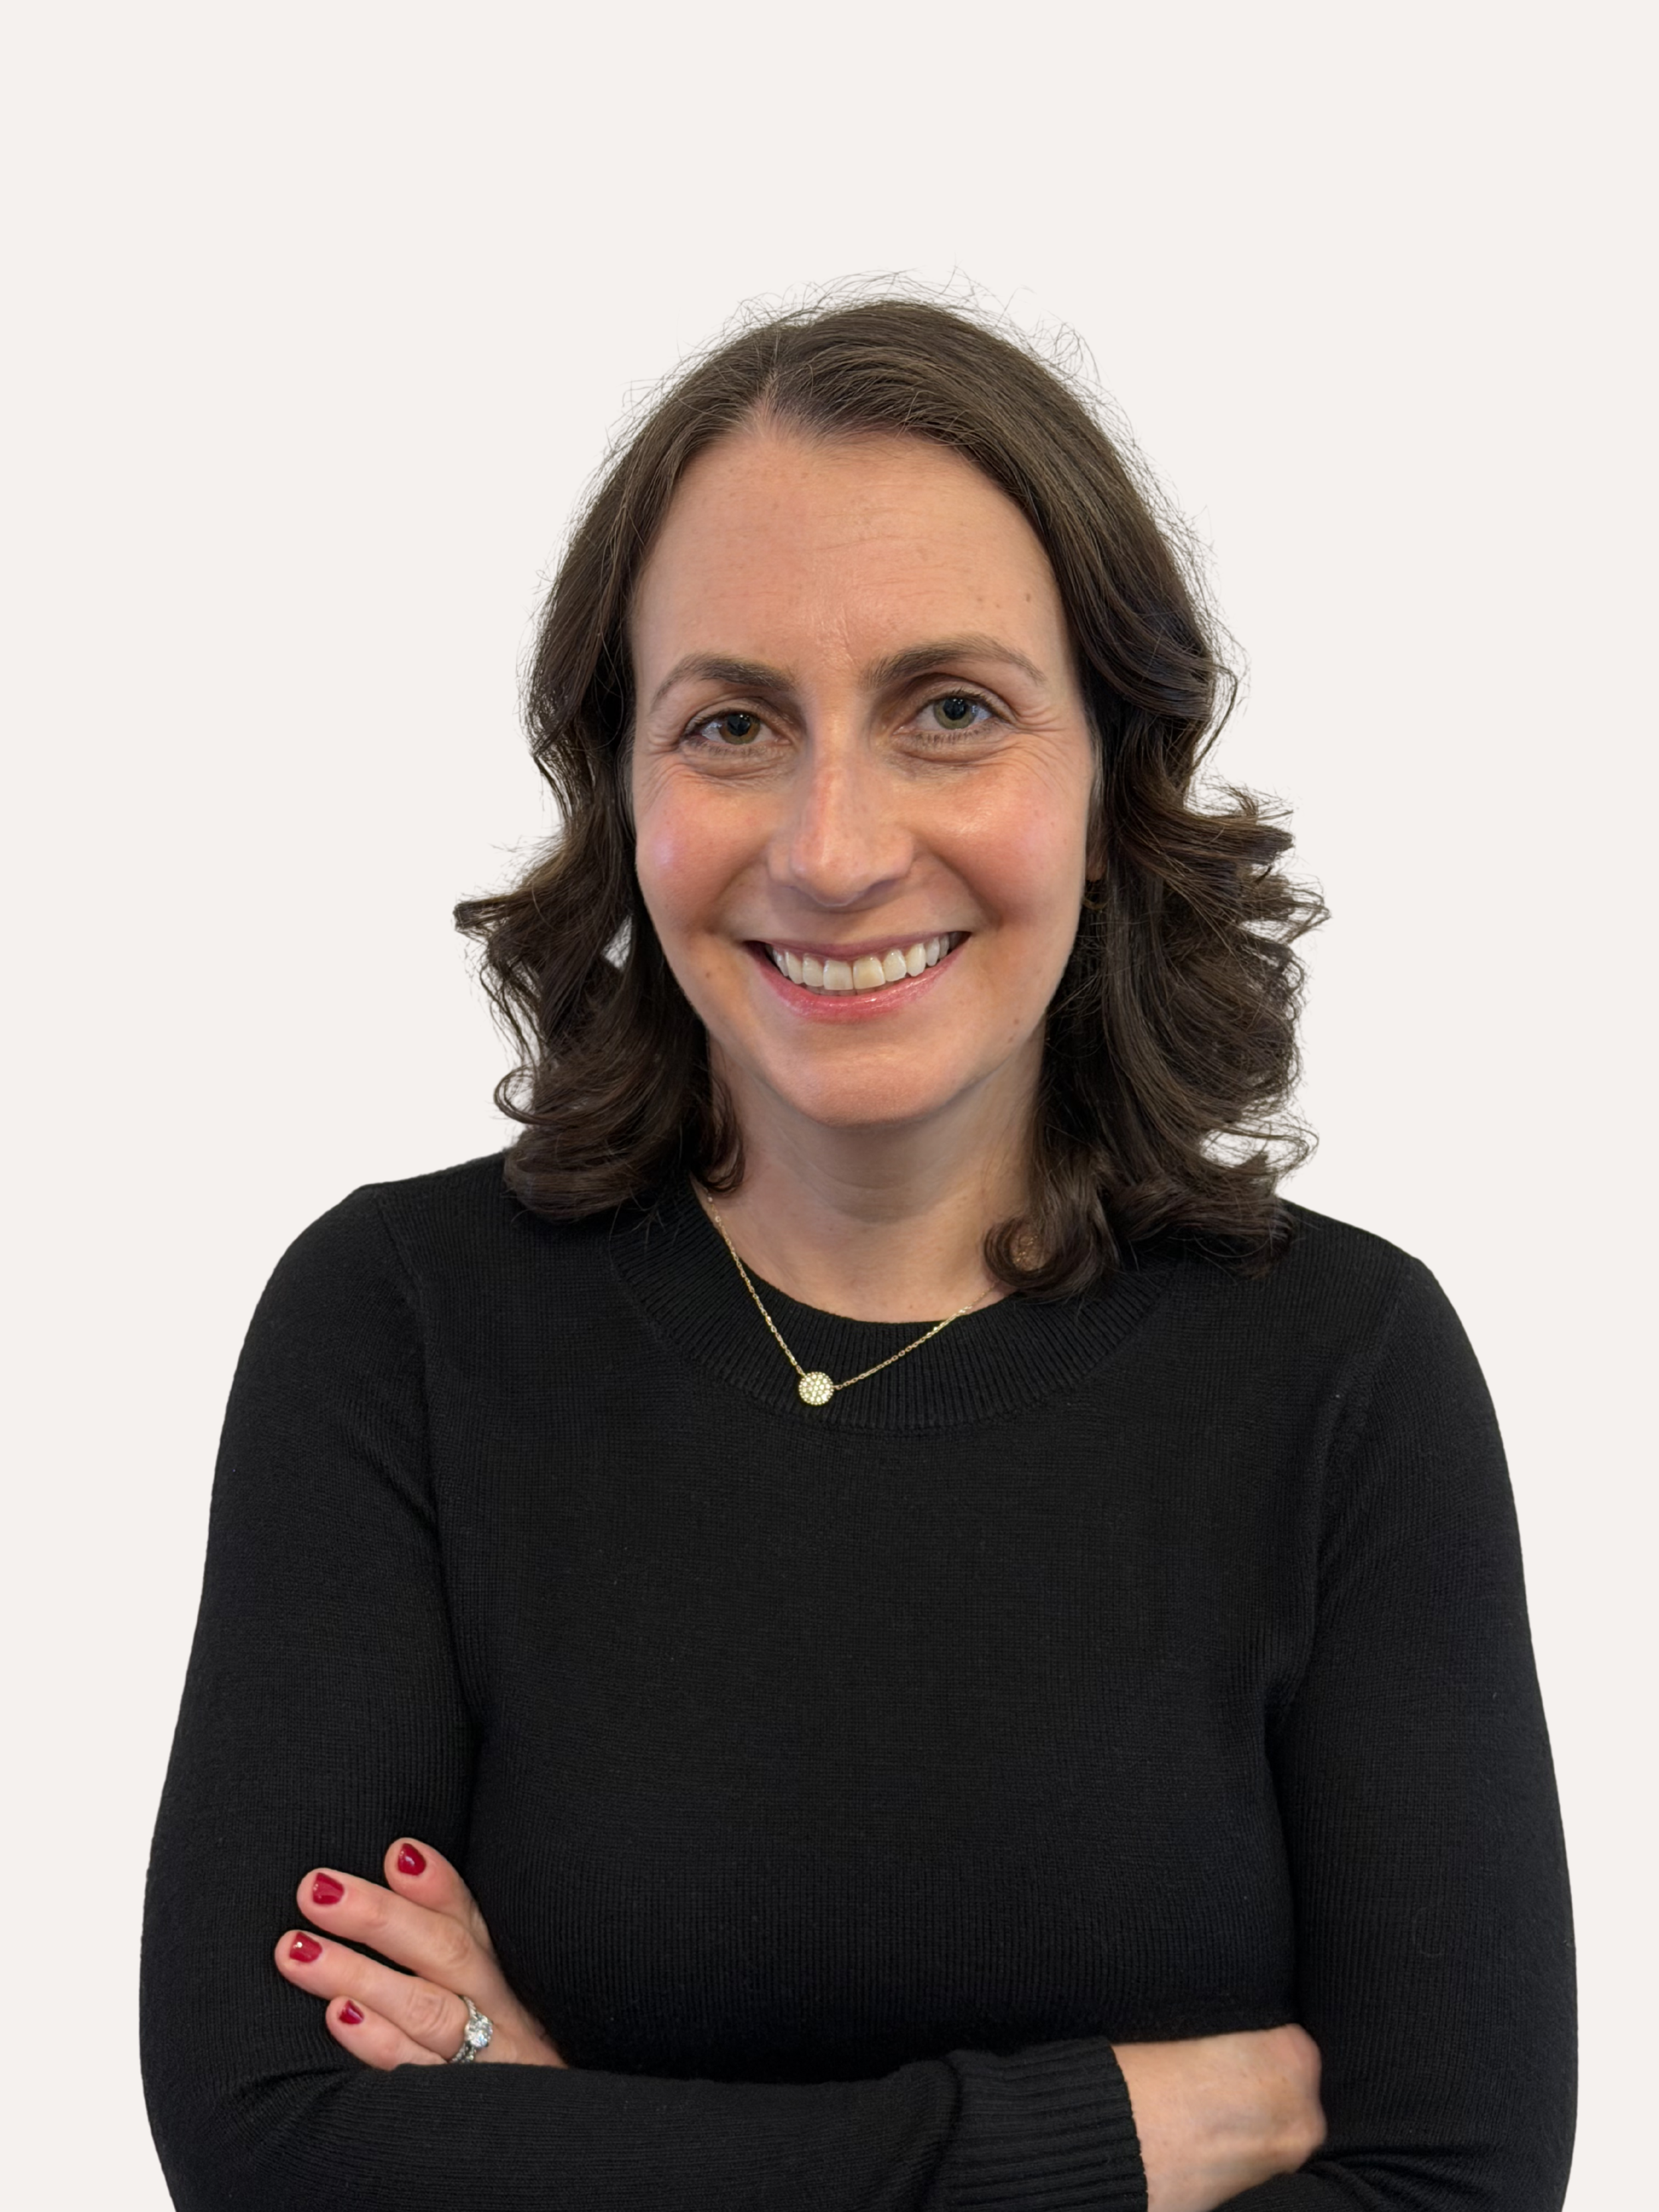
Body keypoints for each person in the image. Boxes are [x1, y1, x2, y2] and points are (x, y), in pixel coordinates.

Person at [139, 294, 1576, 2212]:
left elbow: (1449, 2187)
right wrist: (1086, 2142)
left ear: (1110, 765)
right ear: (621, 784)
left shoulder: (1342, 1368)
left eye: (952, 710)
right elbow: (276, 2148)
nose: (830, 845)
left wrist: (553, 2116)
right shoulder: (395, 1327)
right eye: (731, 722)